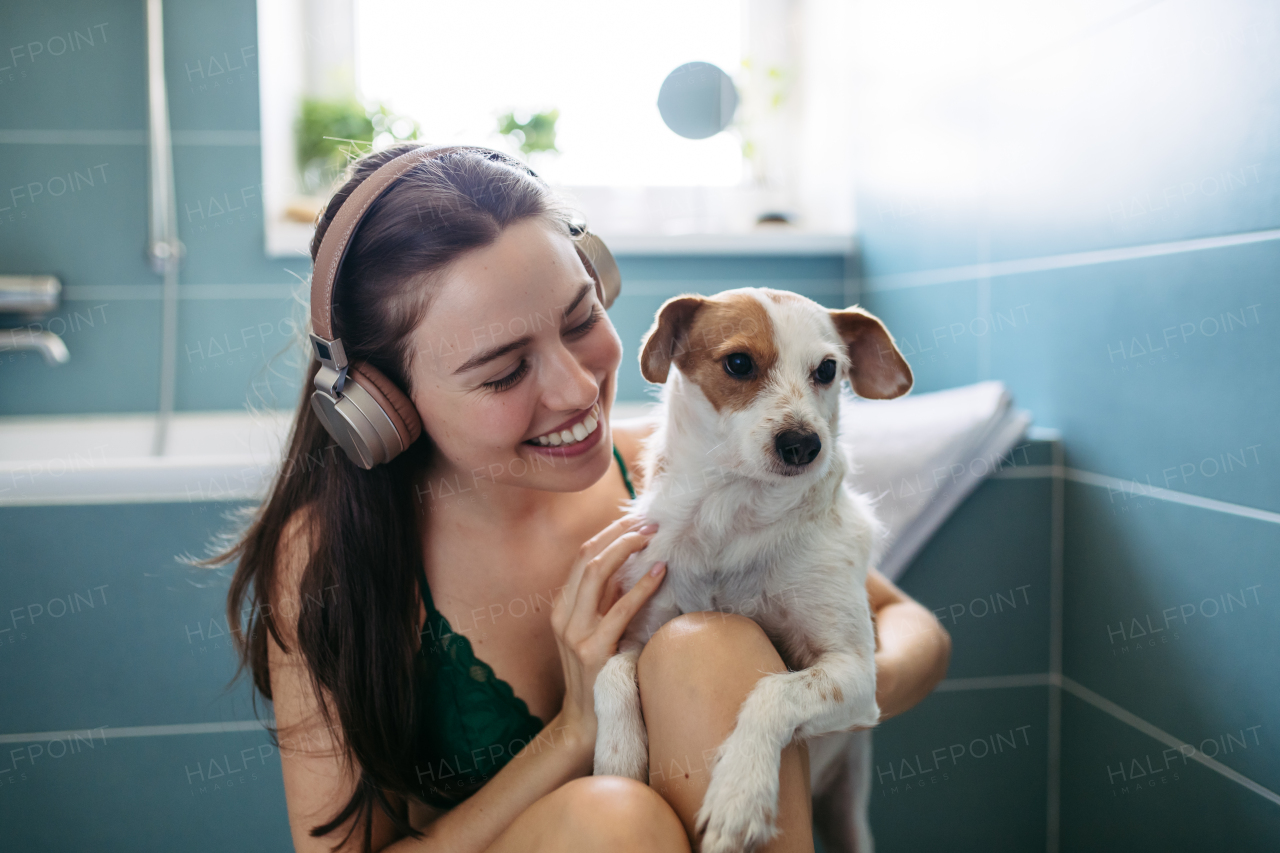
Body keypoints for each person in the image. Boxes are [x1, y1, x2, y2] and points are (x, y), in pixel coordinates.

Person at [202, 144, 951, 853]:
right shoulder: (329, 554)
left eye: (581, 318)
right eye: (502, 372)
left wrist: (802, 693)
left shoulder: (668, 472)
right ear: (381, 401)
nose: (576, 388)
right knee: (611, 821)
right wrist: (575, 730)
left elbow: (902, 622)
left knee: (711, 648)